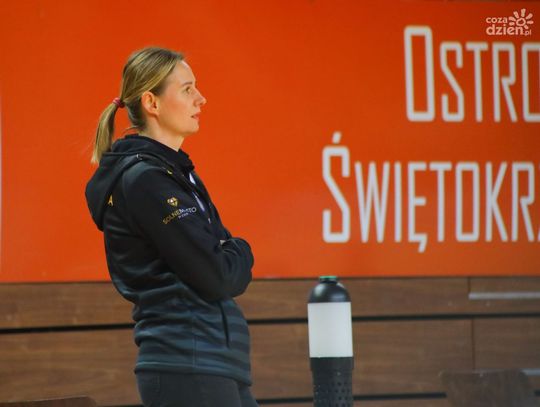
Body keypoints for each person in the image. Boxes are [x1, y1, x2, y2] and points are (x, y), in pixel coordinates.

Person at [85, 47, 257, 407]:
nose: (201, 98)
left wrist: (226, 252)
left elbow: (214, 259)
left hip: (212, 363)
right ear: (152, 102)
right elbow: (217, 274)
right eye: (187, 89)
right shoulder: (147, 181)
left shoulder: (176, 174)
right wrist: (241, 249)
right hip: (186, 364)